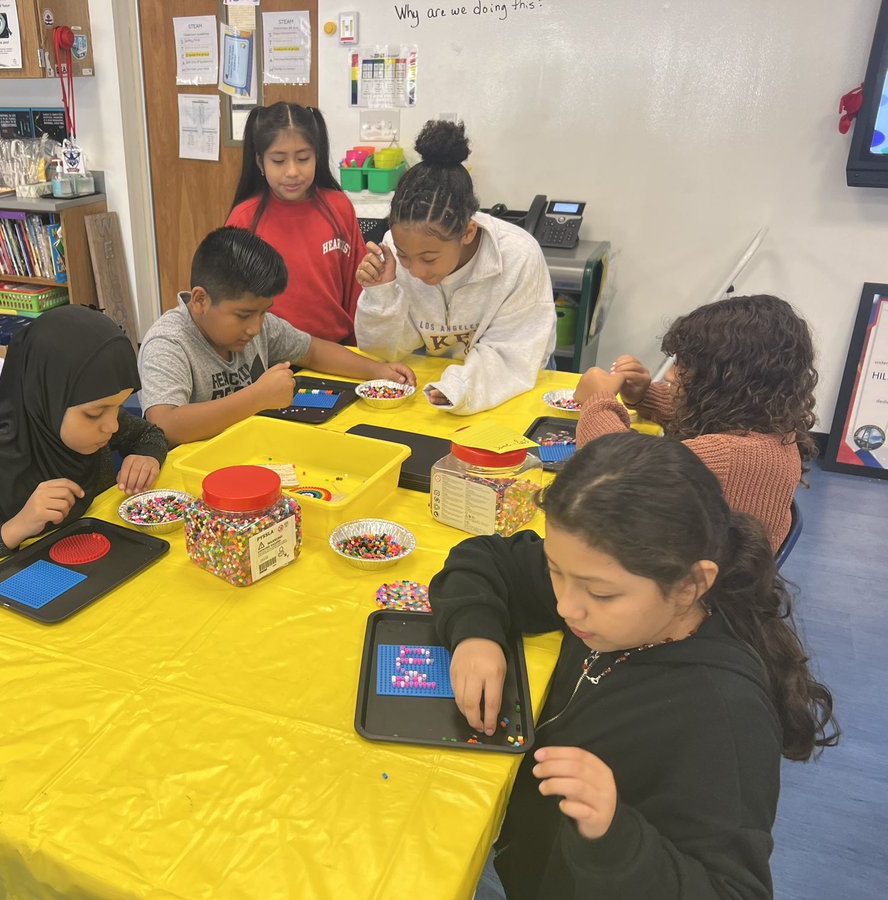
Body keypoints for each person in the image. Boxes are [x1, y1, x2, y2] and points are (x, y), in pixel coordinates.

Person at [431, 431, 837, 899]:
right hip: (525, 842)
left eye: (600, 593)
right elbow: (485, 557)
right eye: (554, 571)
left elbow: (732, 891)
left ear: (690, 585)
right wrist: (476, 634)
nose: (566, 607)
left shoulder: (724, 718)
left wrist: (616, 835)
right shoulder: (605, 589)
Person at [0, 306, 167, 600]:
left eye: (119, 406)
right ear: (46, 401)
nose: (112, 425)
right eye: (95, 413)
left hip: (97, 582)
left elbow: (148, 433)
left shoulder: (100, 425)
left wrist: (147, 455)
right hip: (24, 602)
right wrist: (15, 528)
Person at [573, 294, 817, 549]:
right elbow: (700, 411)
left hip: (700, 584)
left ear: (725, 383)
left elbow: (609, 469)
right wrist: (643, 394)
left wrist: (597, 402)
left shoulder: (730, 456)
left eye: (684, 367)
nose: (669, 375)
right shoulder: (770, 423)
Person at [139, 227, 415, 446]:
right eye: (243, 315)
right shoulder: (168, 342)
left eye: (263, 313)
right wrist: (256, 398)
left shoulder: (258, 324)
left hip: (255, 451)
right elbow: (166, 425)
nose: (256, 328)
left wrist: (377, 370)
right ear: (200, 300)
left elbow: (312, 351)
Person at [354, 120, 555, 415]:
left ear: (468, 233)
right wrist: (380, 294)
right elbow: (383, 354)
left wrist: (460, 386)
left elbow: (514, 356)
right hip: (436, 385)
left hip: (507, 387)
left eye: (429, 258)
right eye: (405, 256)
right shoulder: (393, 252)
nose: (416, 271)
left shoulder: (518, 256)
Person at [226, 102, 365, 344]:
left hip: (336, 353)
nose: (292, 171)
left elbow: (358, 289)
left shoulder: (339, 207)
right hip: (272, 355)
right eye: (278, 161)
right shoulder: (244, 219)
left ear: (316, 156)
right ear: (260, 163)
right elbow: (231, 300)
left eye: (303, 158)